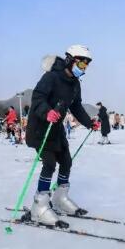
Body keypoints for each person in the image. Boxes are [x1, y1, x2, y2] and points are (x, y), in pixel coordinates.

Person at [25, 45, 100, 227]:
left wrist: (89, 122)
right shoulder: (51, 77)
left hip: (56, 130)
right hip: (40, 128)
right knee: (49, 164)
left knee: (66, 161)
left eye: (86, 66)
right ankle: (39, 206)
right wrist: (47, 112)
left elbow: (76, 107)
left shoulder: (75, 84)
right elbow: (37, 98)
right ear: (70, 60)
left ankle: (60, 198)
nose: (83, 69)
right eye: (81, 64)